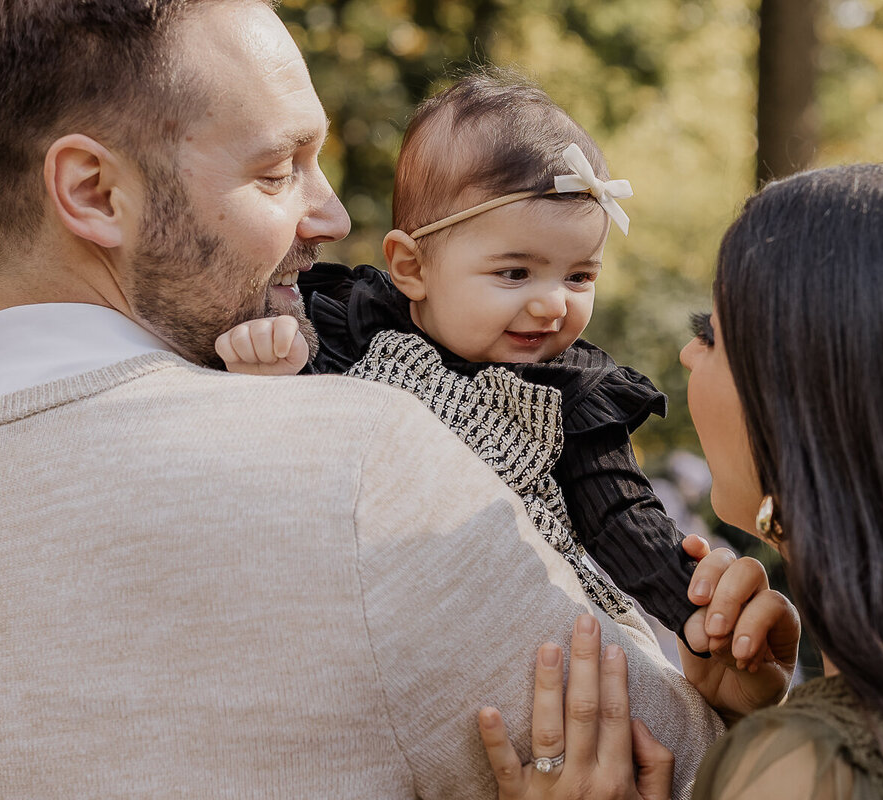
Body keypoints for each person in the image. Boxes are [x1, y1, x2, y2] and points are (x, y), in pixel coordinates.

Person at [0, 1, 797, 796]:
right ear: (94, 192)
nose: (332, 218)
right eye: (278, 171)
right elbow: (694, 770)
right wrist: (731, 694)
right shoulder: (358, 464)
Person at [482, 163, 883, 799]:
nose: (689, 355)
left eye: (710, 334)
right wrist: (746, 728)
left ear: (813, 410)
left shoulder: (810, 769)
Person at [217, 71, 705, 647]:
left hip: (527, 629)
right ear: (412, 268)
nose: (552, 303)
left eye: (579, 276)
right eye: (514, 273)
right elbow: (308, 453)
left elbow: (622, 519)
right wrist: (270, 381)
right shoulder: (347, 326)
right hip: (364, 613)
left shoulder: (571, 392)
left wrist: (703, 611)